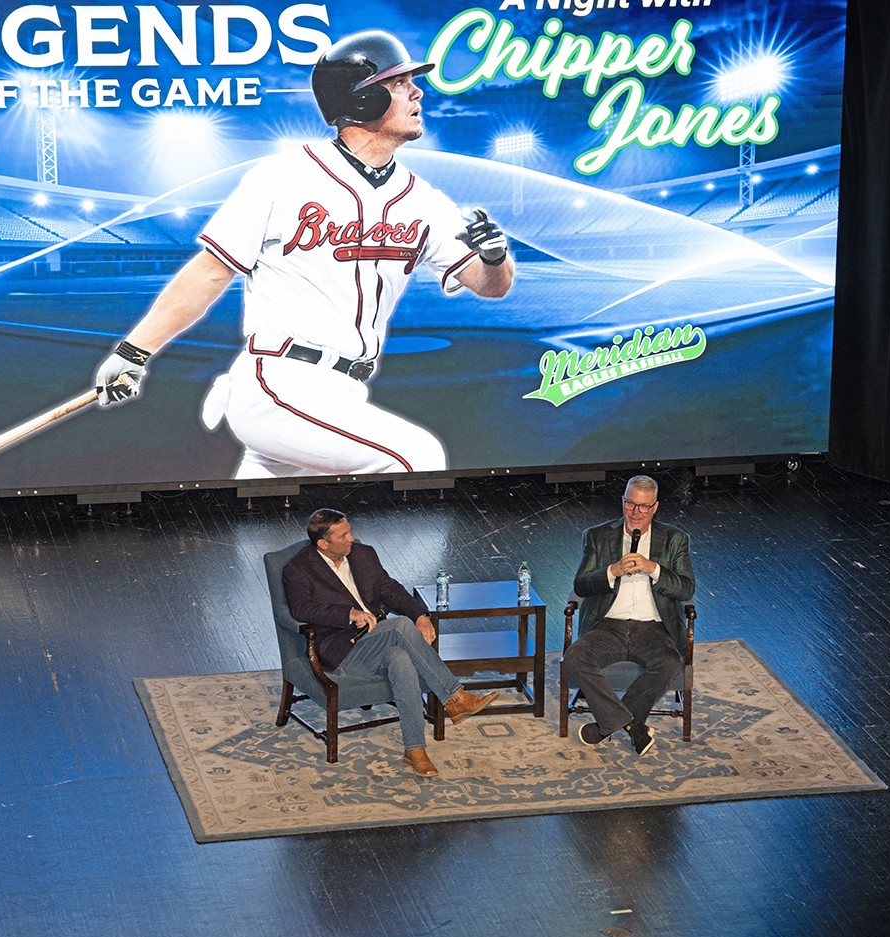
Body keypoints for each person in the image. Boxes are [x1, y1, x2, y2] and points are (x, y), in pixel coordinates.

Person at [94, 30, 515, 479]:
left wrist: (494, 259)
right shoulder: (285, 176)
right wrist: (135, 352)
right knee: (415, 456)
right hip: (280, 380)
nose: (417, 93)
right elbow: (210, 272)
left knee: (265, 517)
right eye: (398, 84)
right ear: (363, 100)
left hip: (342, 391)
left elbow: (490, 285)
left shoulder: (423, 200)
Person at [282, 508, 498, 776]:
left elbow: (390, 589)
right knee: (400, 626)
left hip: (377, 638)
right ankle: (454, 697)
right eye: (344, 535)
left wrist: (420, 615)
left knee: (400, 658)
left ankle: (414, 750)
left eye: (350, 531)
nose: (352, 538)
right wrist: (348, 614)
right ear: (323, 544)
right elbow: (301, 609)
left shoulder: (363, 554)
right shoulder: (299, 569)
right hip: (340, 648)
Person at [566, 475, 696, 756]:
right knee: (575, 657)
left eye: (644, 506)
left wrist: (653, 569)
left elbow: (686, 588)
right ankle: (633, 727)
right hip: (607, 626)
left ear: (655, 507)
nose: (636, 512)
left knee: (669, 662)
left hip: (653, 628)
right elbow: (581, 584)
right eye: (630, 504)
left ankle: (607, 725)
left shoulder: (674, 539)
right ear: (622, 501)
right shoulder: (598, 535)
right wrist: (612, 571)